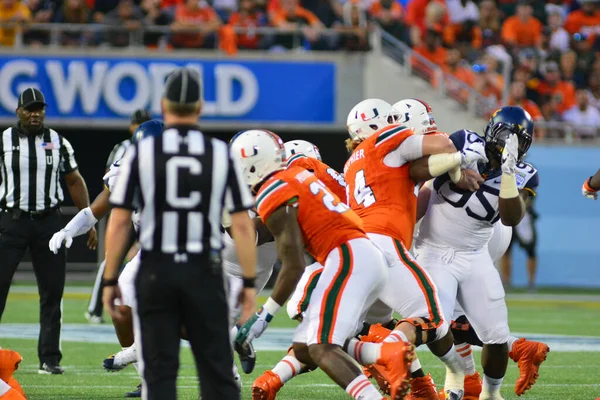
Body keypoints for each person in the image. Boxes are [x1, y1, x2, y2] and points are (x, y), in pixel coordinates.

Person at [102, 67, 257, 400]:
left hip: (157, 271)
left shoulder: (140, 154)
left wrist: (110, 279)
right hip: (205, 271)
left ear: (163, 105)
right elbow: (242, 224)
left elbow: (118, 221)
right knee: (216, 376)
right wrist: (247, 281)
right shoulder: (219, 153)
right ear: (199, 107)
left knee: (159, 377)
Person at [233, 129, 416, 400]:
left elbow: (293, 264)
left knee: (321, 346)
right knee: (306, 345)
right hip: (359, 254)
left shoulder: (273, 189)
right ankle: (384, 352)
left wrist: (264, 315)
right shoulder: (294, 175)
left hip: (346, 258)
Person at [343, 98, 487, 399]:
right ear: (378, 124)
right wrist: (460, 162)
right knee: (432, 316)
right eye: (391, 118)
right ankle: (390, 354)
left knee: (367, 326)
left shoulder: (353, 162)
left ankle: (418, 382)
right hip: (383, 243)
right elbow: (442, 144)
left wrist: (454, 170)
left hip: (355, 248)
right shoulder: (385, 139)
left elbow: (414, 173)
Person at [412, 106, 549, 399]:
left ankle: (490, 393)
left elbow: (512, 216)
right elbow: (423, 167)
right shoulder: (464, 141)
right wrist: (455, 167)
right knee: (435, 323)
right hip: (433, 249)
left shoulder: (526, 173)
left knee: (495, 334)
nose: (512, 144)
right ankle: (455, 370)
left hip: (474, 253)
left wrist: (509, 173)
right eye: (508, 136)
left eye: (520, 140)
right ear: (492, 131)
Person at [49, 120, 164, 398]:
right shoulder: (125, 171)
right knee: (120, 303)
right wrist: (69, 229)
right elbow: (95, 209)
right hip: (151, 251)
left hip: (190, 250)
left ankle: (230, 356)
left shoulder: (186, 172)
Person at [0, 87, 96, 375]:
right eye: (29, 108)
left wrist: (88, 221)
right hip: (11, 221)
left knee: (52, 291)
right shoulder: (3, 140)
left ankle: (49, 358)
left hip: (49, 224)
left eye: (39, 108)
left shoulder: (58, 141)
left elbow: (75, 182)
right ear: (18, 111)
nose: (35, 113)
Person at [85, 108, 152, 325]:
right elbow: (110, 180)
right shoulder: (123, 148)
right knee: (111, 258)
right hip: (125, 209)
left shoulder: (159, 148)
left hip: (148, 213)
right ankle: (96, 307)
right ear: (132, 127)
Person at [501, 195, 539, 292]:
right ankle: (506, 282)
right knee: (505, 250)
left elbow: (531, 193)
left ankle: (531, 283)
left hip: (524, 216)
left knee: (531, 251)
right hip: (508, 216)